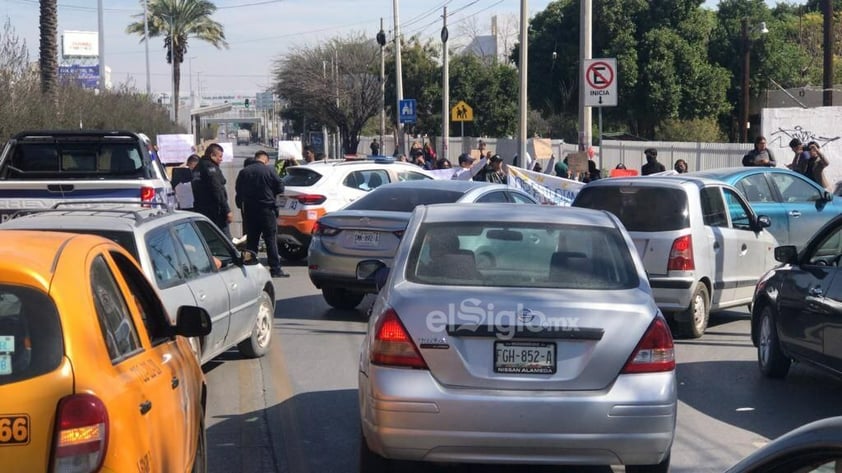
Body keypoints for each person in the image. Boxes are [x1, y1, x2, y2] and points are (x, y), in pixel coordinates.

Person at [235, 150, 289, 278]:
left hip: (250, 210)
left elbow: (238, 191)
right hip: (267, 210)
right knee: (270, 239)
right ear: (265, 159)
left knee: (252, 240)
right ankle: (275, 269)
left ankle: (249, 268)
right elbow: (280, 187)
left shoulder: (244, 172)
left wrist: (241, 206)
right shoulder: (269, 170)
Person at [192, 143, 233, 239]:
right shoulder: (211, 168)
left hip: (201, 210)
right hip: (215, 212)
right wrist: (227, 210)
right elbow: (217, 190)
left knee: (207, 238)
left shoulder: (197, 168)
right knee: (225, 240)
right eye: (220, 156)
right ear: (212, 155)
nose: (221, 159)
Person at [234, 155, 262, 244]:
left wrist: (239, 202)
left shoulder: (243, 173)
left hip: (246, 204)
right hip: (260, 203)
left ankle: (247, 241)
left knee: (247, 224)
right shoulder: (259, 173)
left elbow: (238, 188)